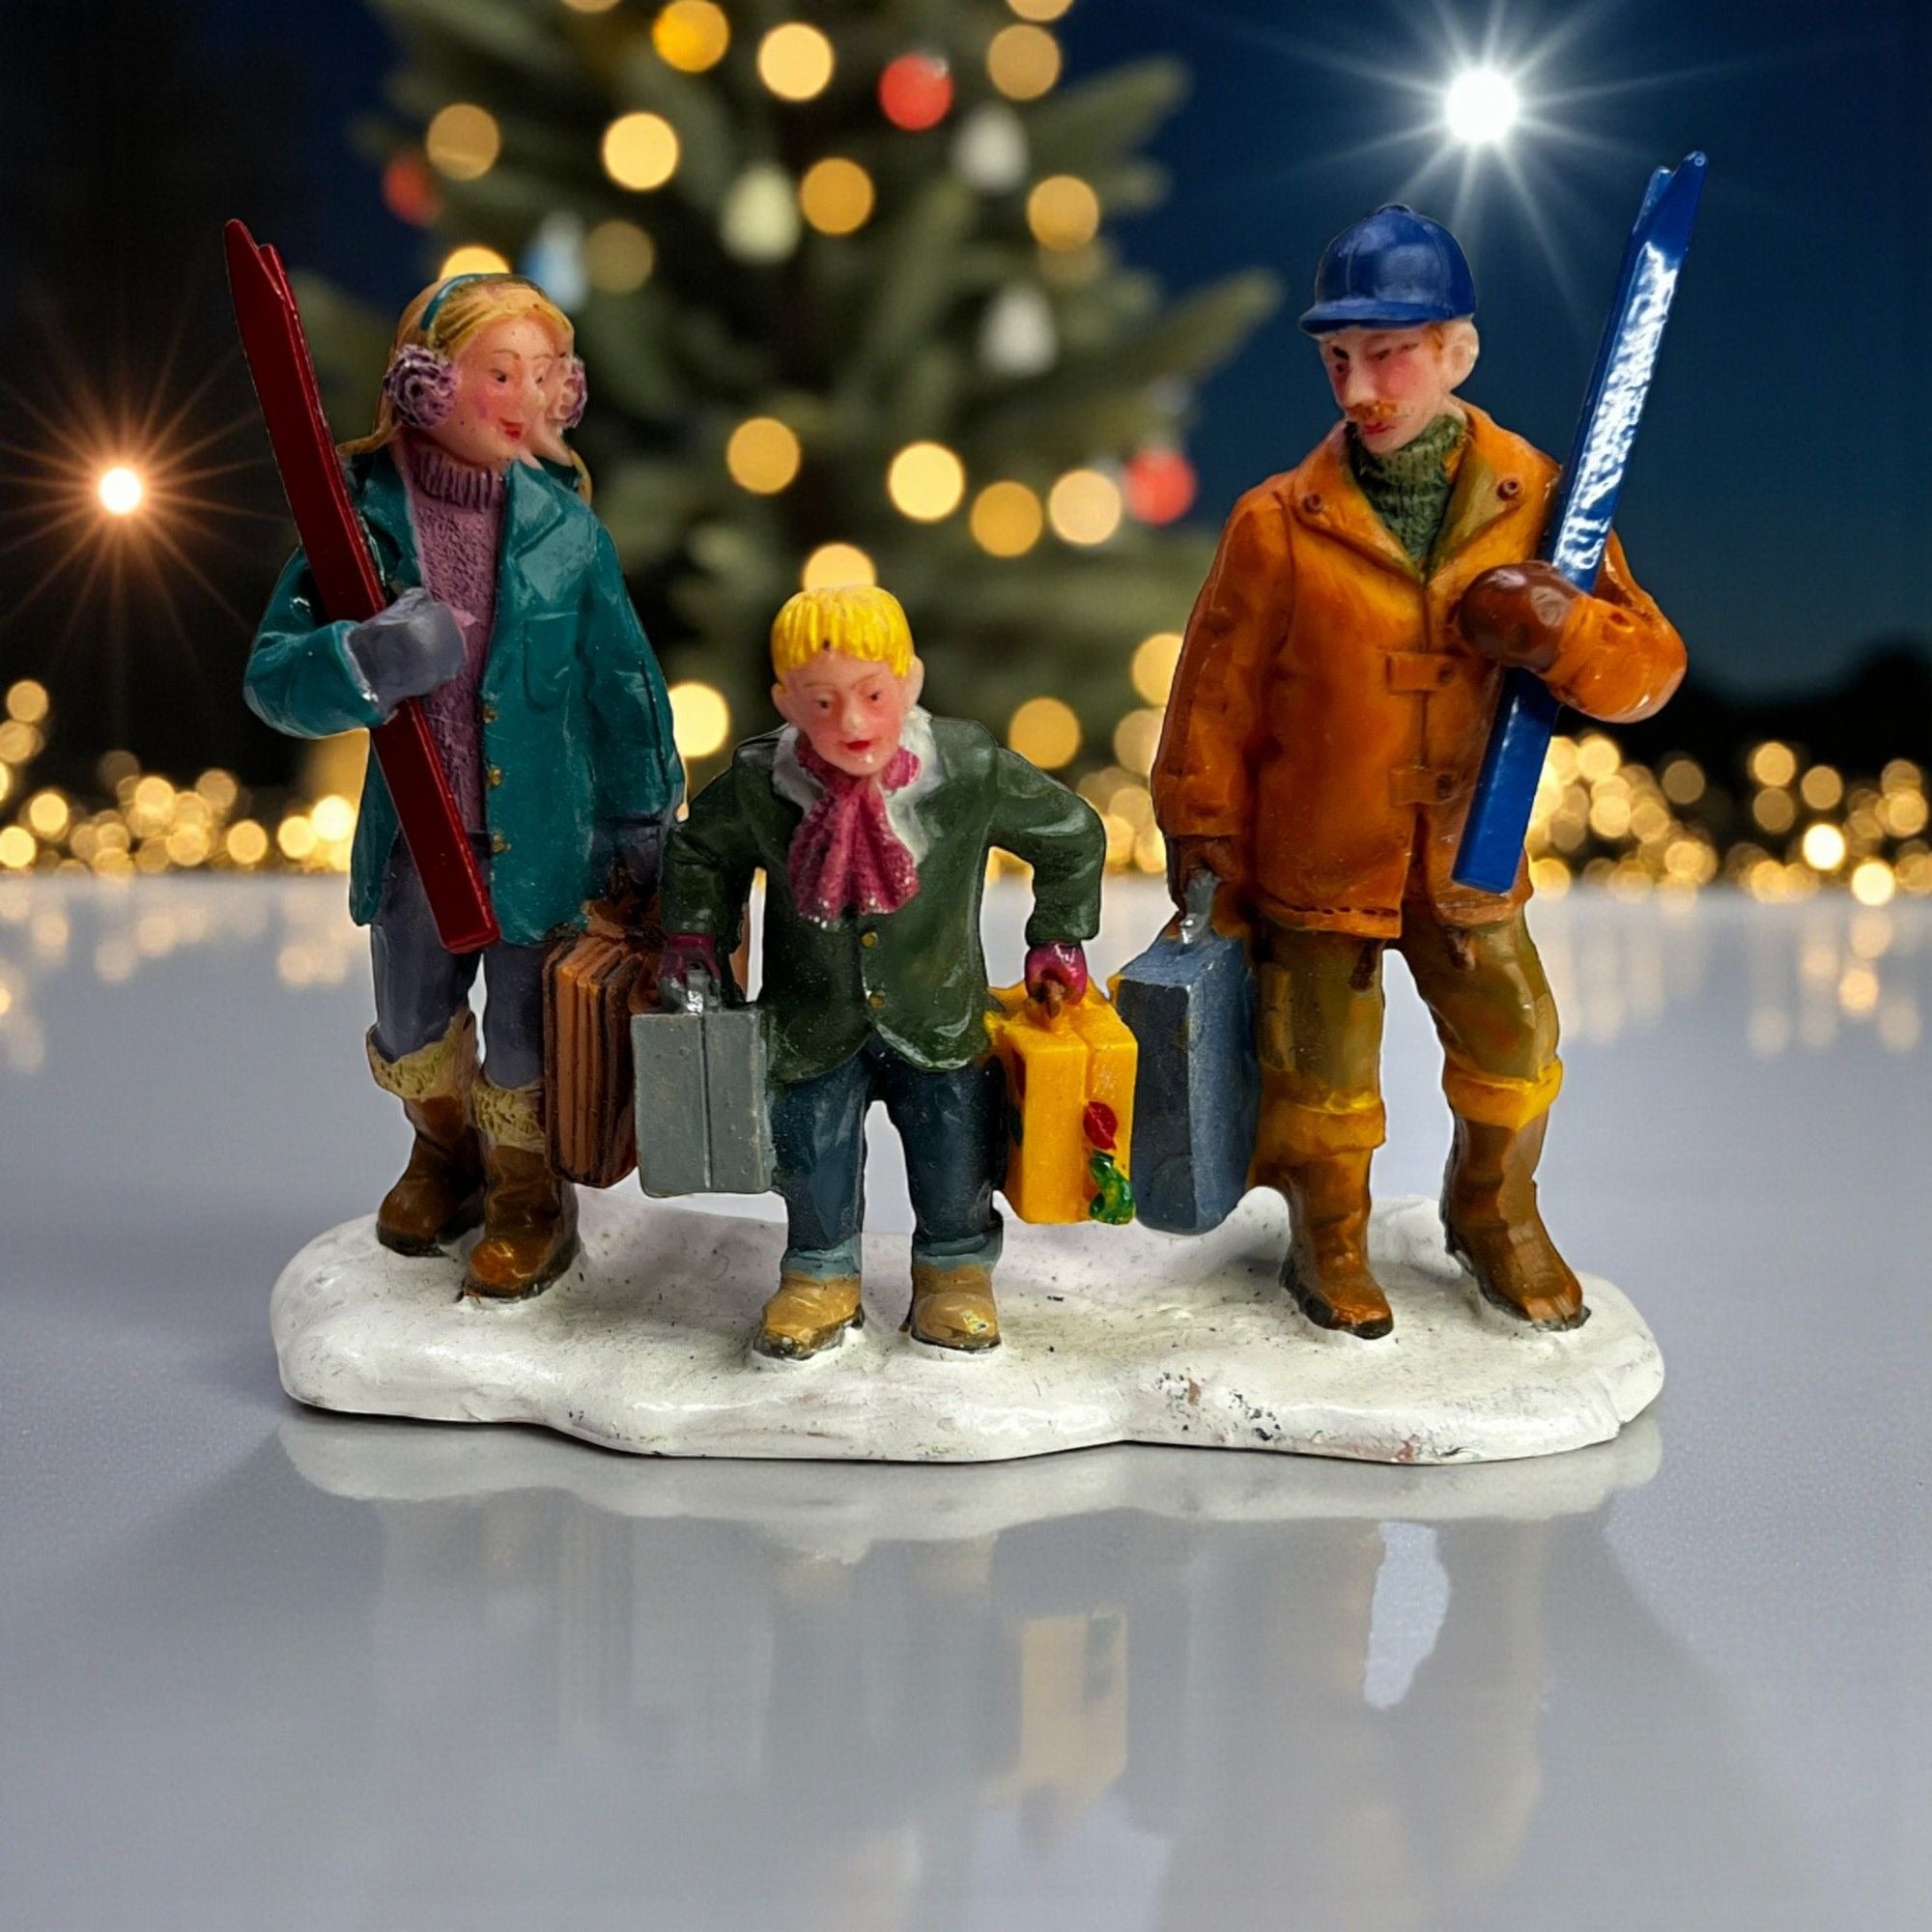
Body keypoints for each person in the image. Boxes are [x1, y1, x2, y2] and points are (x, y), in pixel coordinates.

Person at [1152, 205, 1686, 1339]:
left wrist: (1563, 629)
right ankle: (1329, 1233)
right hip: (1314, 861)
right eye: (1336, 358)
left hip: (1466, 853)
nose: (1358, 388)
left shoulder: (1541, 503)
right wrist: (1202, 841)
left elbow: (1648, 665)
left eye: (1387, 353)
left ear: (1456, 351)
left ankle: (1493, 1212)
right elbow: (1211, 700)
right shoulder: (1273, 523)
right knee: (1319, 1078)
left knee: (1516, 1047)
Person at [245, 272, 681, 1299]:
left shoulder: (568, 537)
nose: (526, 399)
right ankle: (443, 1150)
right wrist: (360, 659)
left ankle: (526, 1192)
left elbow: (624, 688)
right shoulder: (360, 524)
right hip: (416, 843)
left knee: (526, 1034)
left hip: (543, 845)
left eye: (543, 374)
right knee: (409, 1021)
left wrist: (643, 823)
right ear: (426, 384)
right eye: (499, 374)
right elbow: (272, 674)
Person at [658, 585, 1105, 1360]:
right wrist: (697, 935)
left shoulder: (964, 769)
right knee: (813, 1149)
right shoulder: (765, 782)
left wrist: (1057, 936)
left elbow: (1071, 834)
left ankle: (955, 1269)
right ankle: (820, 1273)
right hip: (813, 1019)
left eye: (872, 695)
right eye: (822, 703)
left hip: (937, 1015)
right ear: (785, 702)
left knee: (954, 1148)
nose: (853, 724)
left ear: (911, 682)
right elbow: (700, 851)